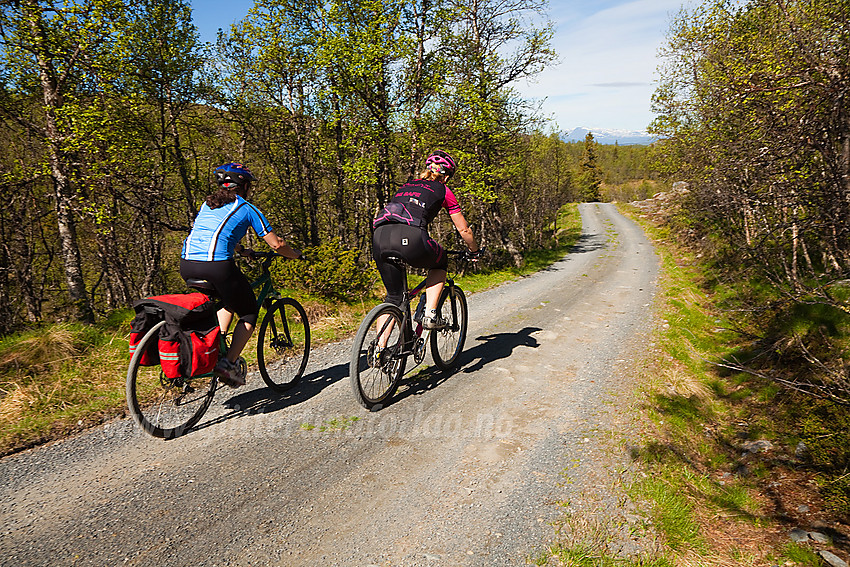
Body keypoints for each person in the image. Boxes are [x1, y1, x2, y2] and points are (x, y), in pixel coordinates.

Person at [180, 162, 301, 387]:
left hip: (187, 264)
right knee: (248, 312)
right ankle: (228, 365)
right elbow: (276, 244)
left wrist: (241, 250)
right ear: (243, 186)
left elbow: (216, 232)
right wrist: (294, 255)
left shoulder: (208, 205)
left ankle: (218, 343)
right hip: (215, 266)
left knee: (229, 298)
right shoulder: (246, 208)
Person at [372, 150, 480, 330]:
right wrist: (474, 250)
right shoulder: (444, 190)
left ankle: (379, 352)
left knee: (393, 297)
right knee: (440, 262)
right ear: (446, 177)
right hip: (411, 236)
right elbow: (464, 229)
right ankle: (430, 314)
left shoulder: (406, 186)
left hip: (379, 236)